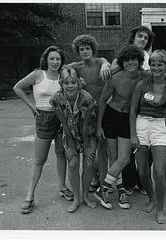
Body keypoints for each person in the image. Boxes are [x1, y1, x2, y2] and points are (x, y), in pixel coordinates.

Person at [111, 25, 166, 195]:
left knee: (146, 153)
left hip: (145, 110)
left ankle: (142, 183)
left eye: (146, 38)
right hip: (123, 110)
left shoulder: (149, 58)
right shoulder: (123, 55)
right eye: (140, 36)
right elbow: (111, 72)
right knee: (127, 154)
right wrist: (106, 66)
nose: (142, 39)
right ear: (133, 37)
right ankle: (128, 183)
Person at [13, 46, 73, 214]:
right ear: (46, 59)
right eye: (52, 58)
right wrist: (32, 106)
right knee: (39, 159)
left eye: (58, 59)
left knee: (62, 154)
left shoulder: (63, 75)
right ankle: (29, 196)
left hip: (62, 118)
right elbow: (17, 87)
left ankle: (62, 187)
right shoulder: (38, 74)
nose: (55, 62)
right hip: (44, 119)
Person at [94, 45, 150, 210]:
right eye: (126, 60)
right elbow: (103, 101)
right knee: (114, 156)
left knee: (123, 158)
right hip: (111, 116)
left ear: (139, 61)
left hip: (128, 119)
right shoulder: (115, 78)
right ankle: (120, 190)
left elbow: (165, 78)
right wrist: (99, 126)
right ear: (122, 62)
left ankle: (102, 188)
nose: (130, 63)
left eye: (134, 59)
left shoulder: (145, 77)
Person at [130, 50, 166, 224]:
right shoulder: (142, 83)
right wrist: (133, 134)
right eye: (153, 64)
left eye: (160, 64)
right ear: (149, 66)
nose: (156, 67)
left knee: (158, 171)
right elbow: (133, 110)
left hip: (159, 126)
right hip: (141, 124)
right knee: (142, 171)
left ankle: (160, 209)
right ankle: (151, 197)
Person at [64, 34, 111, 192]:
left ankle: (105, 180)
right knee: (90, 147)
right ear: (78, 51)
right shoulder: (77, 67)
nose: (85, 51)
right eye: (81, 49)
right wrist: (76, 79)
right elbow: (62, 69)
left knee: (103, 147)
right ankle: (95, 178)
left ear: (93, 49)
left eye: (87, 48)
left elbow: (106, 61)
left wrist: (105, 64)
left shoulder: (100, 62)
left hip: (103, 110)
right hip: (86, 113)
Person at [50, 68, 98, 212]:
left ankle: (85, 197)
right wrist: (71, 147)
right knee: (73, 163)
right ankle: (76, 198)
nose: (70, 86)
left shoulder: (87, 98)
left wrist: (88, 147)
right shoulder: (56, 98)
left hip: (88, 133)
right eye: (66, 83)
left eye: (73, 82)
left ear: (78, 83)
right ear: (61, 83)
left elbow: (85, 126)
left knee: (89, 163)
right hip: (69, 132)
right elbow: (64, 124)